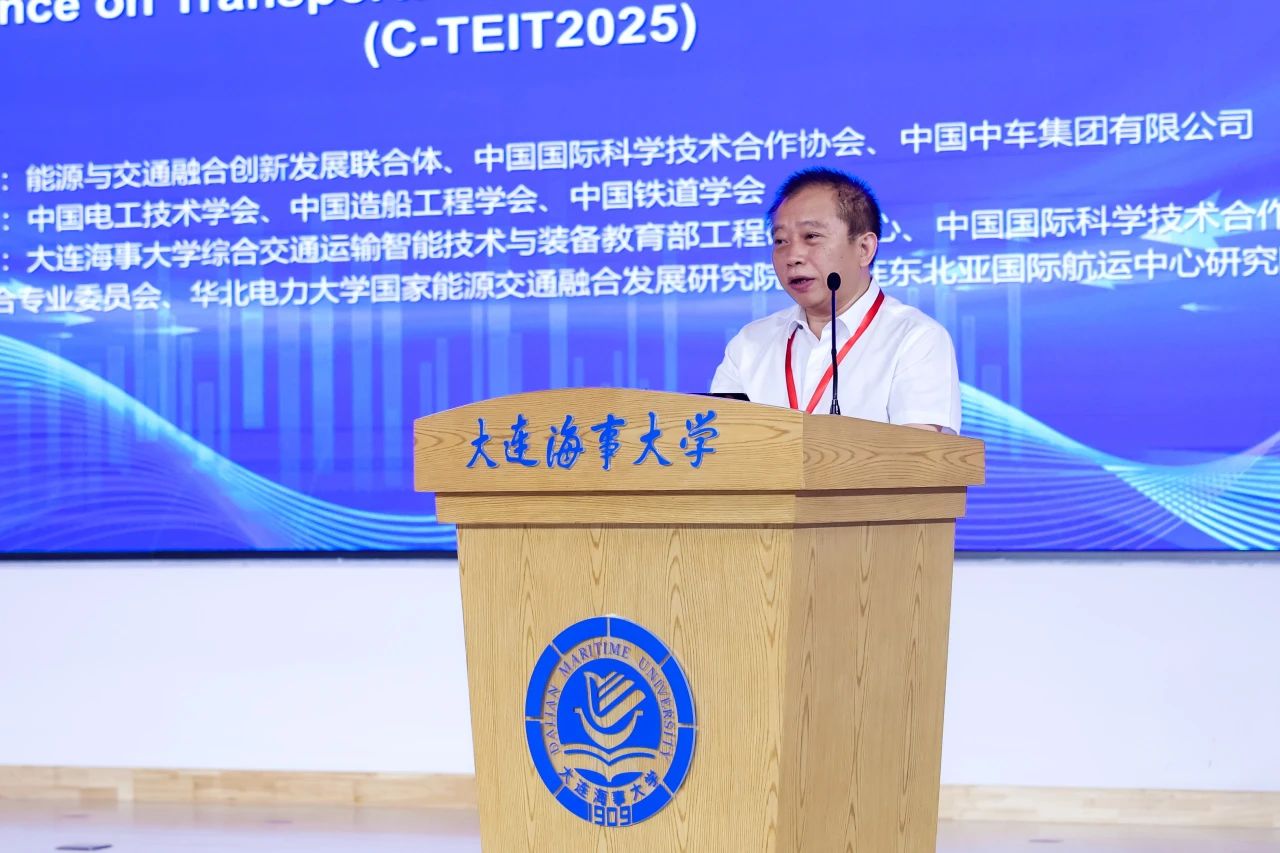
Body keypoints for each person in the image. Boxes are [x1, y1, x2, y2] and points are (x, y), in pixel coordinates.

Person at [710, 167, 961, 433]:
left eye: (811, 237)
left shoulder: (915, 338)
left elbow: (918, 453)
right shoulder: (749, 343)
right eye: (781, 240)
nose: (793, 256)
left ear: (864, 248)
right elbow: (719, 443)